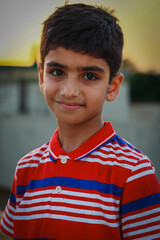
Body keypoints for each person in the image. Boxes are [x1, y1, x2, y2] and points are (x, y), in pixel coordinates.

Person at [1, 3, 160, 240]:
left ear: (113, 86)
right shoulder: (26, 168)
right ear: (41, 76)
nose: (69, 90)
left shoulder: (134, 173)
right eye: (57, 72)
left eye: (89, 76)